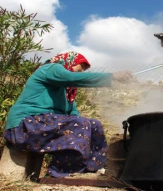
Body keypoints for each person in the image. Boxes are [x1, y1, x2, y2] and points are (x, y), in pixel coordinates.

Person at [3, 51, 132, 178]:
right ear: (69, 62)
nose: (81, 73)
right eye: (80, 68)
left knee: (94, 124)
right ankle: (61, 171)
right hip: (24, 126)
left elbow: (75, 116)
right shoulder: (51, 68)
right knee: (80, 124)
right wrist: (111, 77)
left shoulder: (67, 94)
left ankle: (90, 168)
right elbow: (71, 78)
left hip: (42, 124)